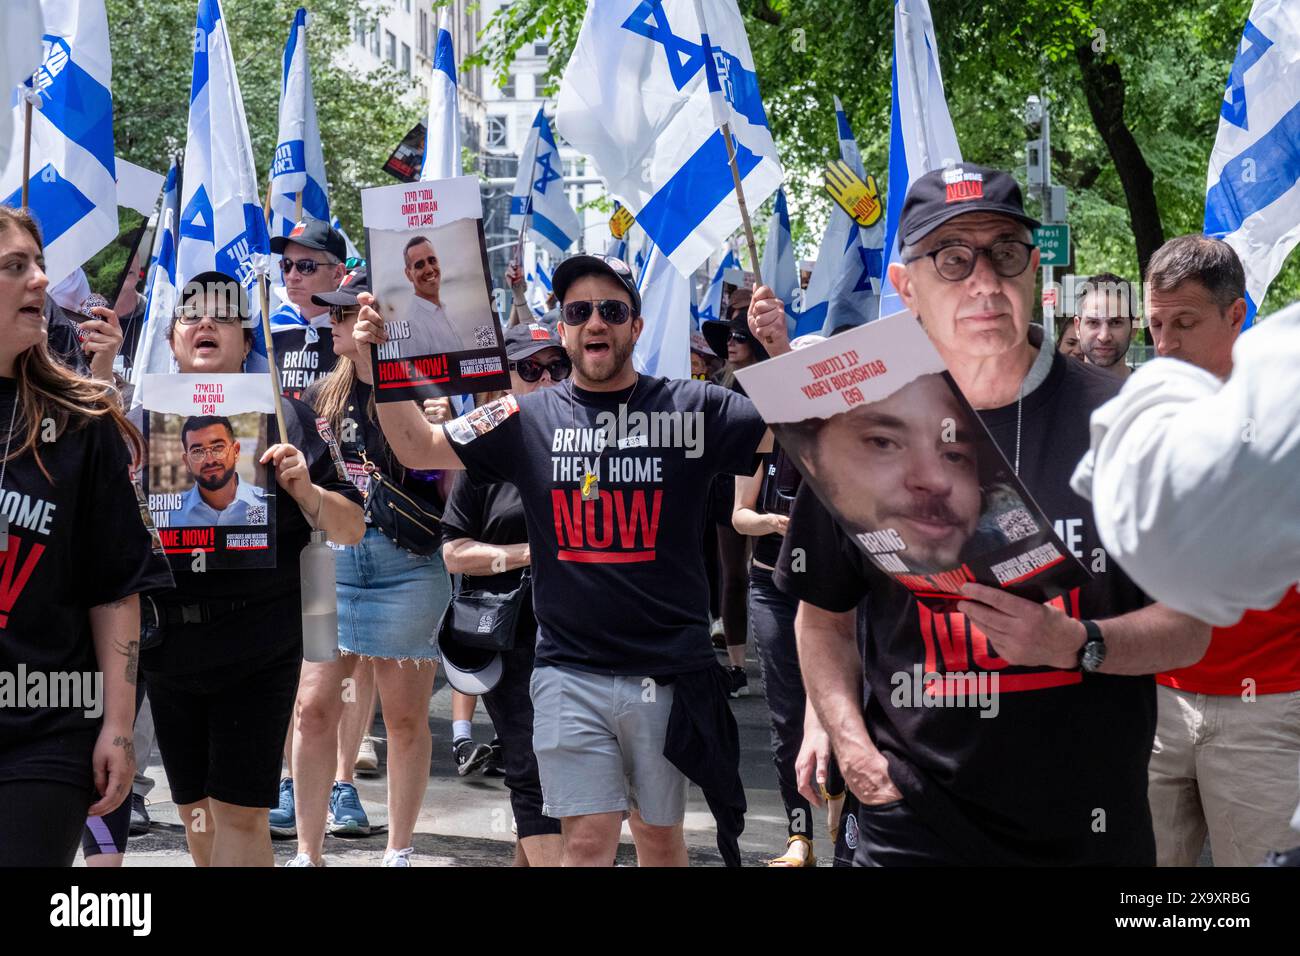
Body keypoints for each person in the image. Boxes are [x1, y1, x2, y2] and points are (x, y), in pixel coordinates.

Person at [774, 163, 1212, 866]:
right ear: (906, 285)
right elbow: (821, 615)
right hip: (909, 821)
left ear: (1035, 270)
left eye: (1004, 253)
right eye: (952, 259)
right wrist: (852, 749)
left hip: (1085, 825)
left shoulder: (1128, 418)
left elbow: (1190, 630)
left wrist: (1078, 642)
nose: (983, 281)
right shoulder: (853, 424)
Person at [356, 253, 785, 866]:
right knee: (585, 844)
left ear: (635, 327)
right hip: (566, 674)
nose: (595, 323)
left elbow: (797, 425)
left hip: (665, 673)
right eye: (579, 311)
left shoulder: (693, 407)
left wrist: (778, 348)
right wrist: (380, 369)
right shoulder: (523, 416)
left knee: (659, 836)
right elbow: (416, 444)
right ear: (562, 328)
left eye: (612, 310)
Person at [1073, 236, 1299, 867]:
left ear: (1237, 314)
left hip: (1270, 711)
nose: (1164, 344)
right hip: (1153, 703)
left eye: (1185, 324)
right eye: (1156, 324)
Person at [139, 270, 364, 868]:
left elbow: (351, 526)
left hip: (259, 642)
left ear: (246, 341)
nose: (206, 323)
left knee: (241, 811)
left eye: (223, 314)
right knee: (194, 811)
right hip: (169, 646)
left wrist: (306, 489)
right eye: (193, 314)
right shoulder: (140, 422)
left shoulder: (288, 416)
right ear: (174, 339)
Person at [0, 205, 172, 866]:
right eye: (16, 267)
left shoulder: (80, 421)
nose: (42, 281)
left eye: (38, 264)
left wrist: (121, 729)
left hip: (45, 730)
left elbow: (115, 586)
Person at [283, 265, 453, 867]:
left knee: (405, 717)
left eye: (343, 314)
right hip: (332, 561)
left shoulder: (423, 388)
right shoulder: (318, 395)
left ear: (377, 322)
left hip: (407, 564)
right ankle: (308, 850)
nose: (332, 324)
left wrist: (388, 376)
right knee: (312, 706)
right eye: (330, 314)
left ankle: (399, 850)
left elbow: (438, 468)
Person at [439, 322, 571, 866]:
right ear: (507, 378)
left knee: (575, 764)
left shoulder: (591, 438)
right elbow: (452, 551)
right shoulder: (484, 453)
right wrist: (526, 555)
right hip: (512, 632)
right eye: (530, 369)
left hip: (587, 629)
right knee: (531, 760)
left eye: (557, 368)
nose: (544, 380)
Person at [776, 372, 984, 575]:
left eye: (955, 456)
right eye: (883, 442)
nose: (936, 480)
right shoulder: (825, 494)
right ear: (809, 455)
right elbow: (820, 609)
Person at [702, 291, 763, 697]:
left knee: (775, 576)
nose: (732, 342)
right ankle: (737, 666)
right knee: (733, 575)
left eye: (740, 336)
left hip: (775, 486)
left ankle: (791, 658)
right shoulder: (717, 387)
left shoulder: (773, 381)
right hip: (725, 486)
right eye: (729, 336)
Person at [270, 216, 347, 398]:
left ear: (337, 274)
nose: (292, 276)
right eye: (286, 265)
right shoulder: (270, 328)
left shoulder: (357, 330)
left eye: (306, 266)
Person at [166, 416, 269, 527]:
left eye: (218, 447)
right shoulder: (170, 515)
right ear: (187, 462)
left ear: (236, 452)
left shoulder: (266, 505)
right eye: (197, 452)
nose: (210, 461)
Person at [384, 236, 463, 358]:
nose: (429, 269)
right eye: (420, 265)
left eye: (432, 261)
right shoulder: (414, 326)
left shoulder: (441, 311)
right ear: (408, 274)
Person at [1074, 272, 1136, 377]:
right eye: (1093, 322)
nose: (1104, 337)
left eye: (1116, 323)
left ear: (1134, 328)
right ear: (1077, 327)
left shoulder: (1150, 391)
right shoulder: (1055, 391)